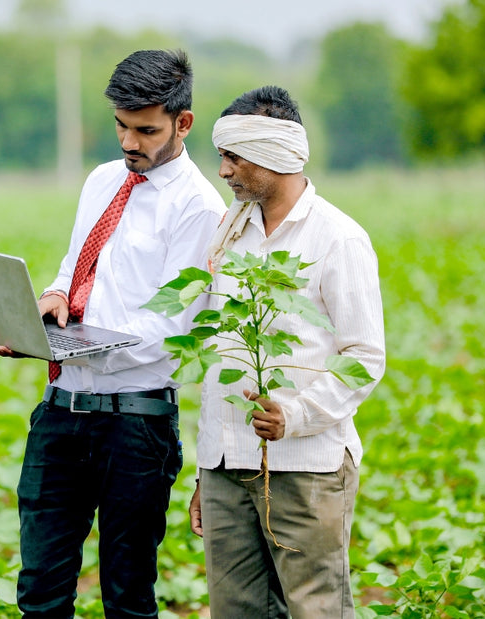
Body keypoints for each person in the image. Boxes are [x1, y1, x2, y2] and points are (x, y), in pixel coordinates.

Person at [0, 49, 226, 618]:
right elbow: (75, 268)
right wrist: (50, 304)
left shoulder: (197, 207)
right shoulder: (100, 181)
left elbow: (172, 325)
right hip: (61, 411)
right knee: (39, 590)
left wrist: (88, 339)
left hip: (136, 425)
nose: (128, 143)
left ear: (182, 123)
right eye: (120, 126)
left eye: (145, 130)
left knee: (127, 596)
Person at [188, 85, 386, 618]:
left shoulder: (337, 239)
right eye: (221, 157)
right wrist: (207, 471)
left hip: (307, 468)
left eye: (233, 157)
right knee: (236, 612)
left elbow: (364, 355)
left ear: (276, 154)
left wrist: (294, 415)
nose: (223, 171)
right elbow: (220, 352)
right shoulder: (230, 234)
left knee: (314, 609)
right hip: (227, 465)